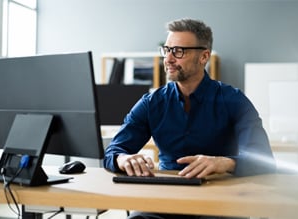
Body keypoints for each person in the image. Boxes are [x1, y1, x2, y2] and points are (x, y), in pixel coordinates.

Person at [103, 18, 276, 219]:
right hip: (167, 200)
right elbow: (112, 152)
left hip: (220, 199)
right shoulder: (151, 103)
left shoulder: (234, 100)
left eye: (178, 51)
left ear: (204, 57)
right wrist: (123, 159)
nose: (168, 59)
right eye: (166, 50)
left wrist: (225, 163)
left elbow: (264, 162)